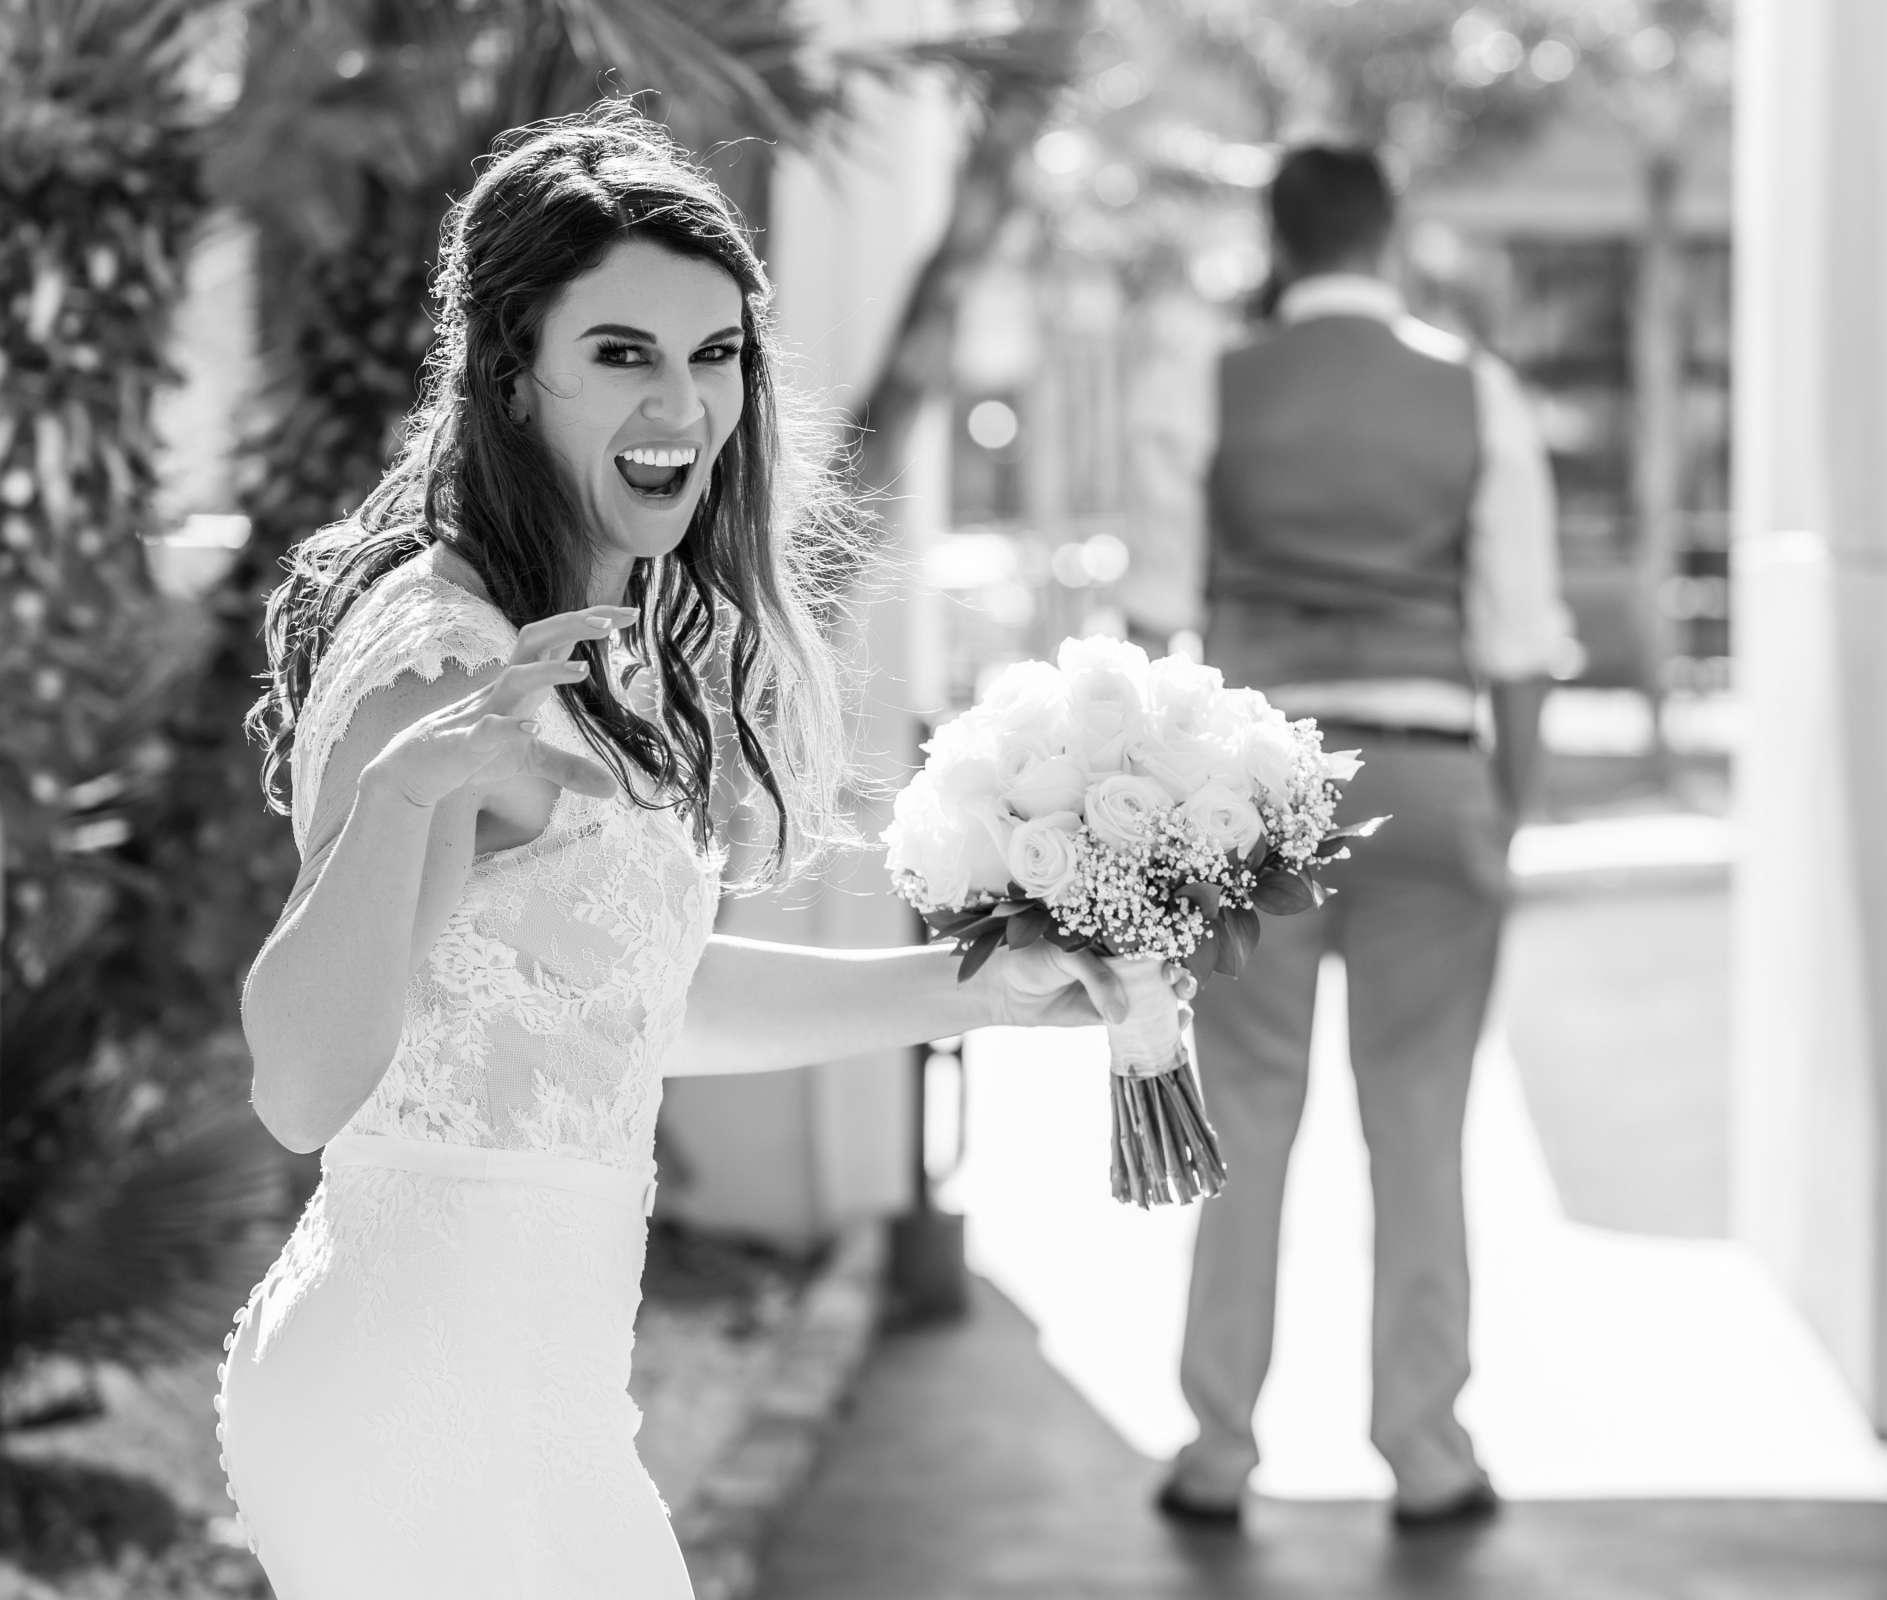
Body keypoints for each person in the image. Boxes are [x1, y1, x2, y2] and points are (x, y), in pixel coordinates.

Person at [217, 105, 1170, 1600]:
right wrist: (402, 802)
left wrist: (974, 989)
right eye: (622, 353)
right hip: (417, 1413)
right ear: (511, 374)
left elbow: (615, 1004)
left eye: (713, 354)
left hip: (536, 1404)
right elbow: (298, 1086)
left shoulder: (598, 640)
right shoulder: (444, 659)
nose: (683, 404)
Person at [1132, 144, 1574, 1529]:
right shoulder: (1472, 389)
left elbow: (1156, 619)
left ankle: (1218, 1452)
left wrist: (1156, 815)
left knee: (1248, 1120)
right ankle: (1428, 1450)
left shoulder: (1206, 381)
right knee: (1424, 1123)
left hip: (1262, 789)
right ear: (1390, 239)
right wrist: (1509, 800)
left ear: (1279, 237)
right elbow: (1517, 630)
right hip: (1435, 773)